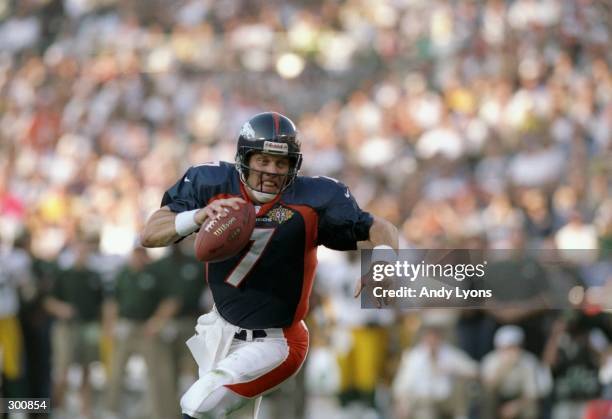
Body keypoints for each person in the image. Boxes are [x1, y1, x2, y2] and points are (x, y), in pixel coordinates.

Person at [140, 111, 398, 419]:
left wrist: (383, 262)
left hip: (277, 342)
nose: (272, 171)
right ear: (244, 158)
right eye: (263, 160)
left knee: (198, 403)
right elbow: (151, 233)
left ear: (293, 166)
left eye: (281, 163)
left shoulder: (313, 198)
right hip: (221, 330)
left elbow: (381, 228)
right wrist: (198, 216)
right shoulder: (211, 183)